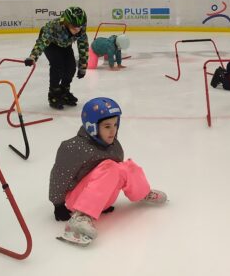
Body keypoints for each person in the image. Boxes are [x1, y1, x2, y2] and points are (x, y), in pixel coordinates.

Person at [49, 97, 167, 246]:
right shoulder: (73, 147)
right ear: (92, 126)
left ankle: (143, 193)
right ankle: (81, 218)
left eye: (115, 125)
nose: (113, 131)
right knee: (110, 166)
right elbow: (59, 175)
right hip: (77, 201)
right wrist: (58, 204)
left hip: (101, 198)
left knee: (125, 166)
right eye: (106, 126)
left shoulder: (113, 144)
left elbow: (117, 175)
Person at [24, 7, 89, 109]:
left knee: (71, 67)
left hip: (65, 44)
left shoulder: (81, 27)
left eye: (80, 26)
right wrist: (33, 57)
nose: (77, 30)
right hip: (51, 43)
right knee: (58, 65)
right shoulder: (54, 26)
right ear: (66, 23)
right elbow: (42, 42)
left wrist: (83, 67)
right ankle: (53, 93)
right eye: (74, 26)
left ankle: (64, 91)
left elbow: (83, 46)